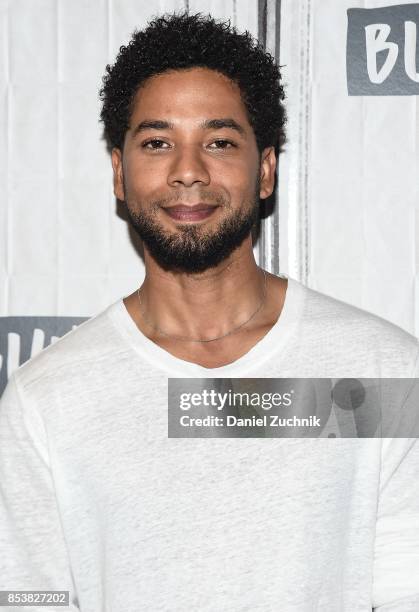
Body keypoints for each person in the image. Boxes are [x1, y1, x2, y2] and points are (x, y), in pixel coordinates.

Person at [0, 12, 418, 612]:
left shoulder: (380, 372)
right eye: (157, 142)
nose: (188, 171)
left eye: (219, 142)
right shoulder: (47, 400)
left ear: (266, 169)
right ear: (120, 172)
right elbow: (28, 601)